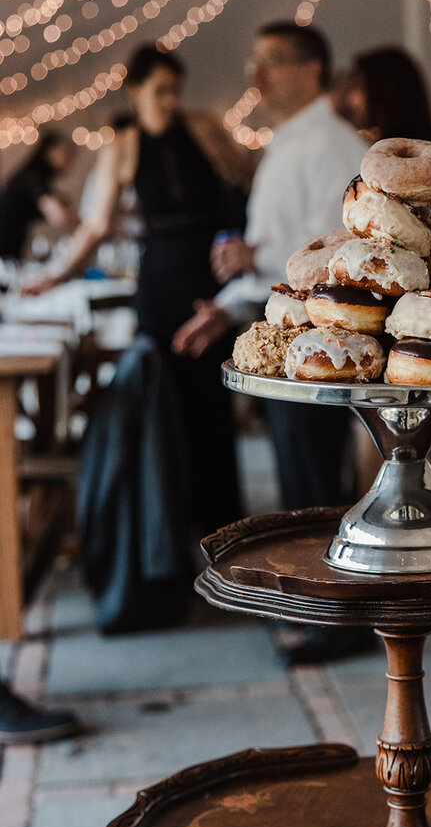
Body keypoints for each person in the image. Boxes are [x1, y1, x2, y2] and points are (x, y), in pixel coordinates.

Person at [172, 22, 371, 665]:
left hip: (319, 330)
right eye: (254, 63)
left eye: (273, 62)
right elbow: (270, 252)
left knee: (314, 478)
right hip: (278, 320)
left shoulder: (335, 146)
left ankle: (337, 619)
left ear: (313, 68)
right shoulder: (286, 142)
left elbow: (342, 249)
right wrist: (227, 304)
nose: (257, 77)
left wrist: (254, 258)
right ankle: (314, 608)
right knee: (295, 476)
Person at [24, 44, 253, 538]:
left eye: (175, 90)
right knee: (163, 409)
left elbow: (252, 182)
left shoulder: (204, 127)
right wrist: (56, 275)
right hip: (160, 286)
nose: (170, 100)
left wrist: (246, 244)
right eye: (159, 91)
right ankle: (170, 533)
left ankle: (224, 528)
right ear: (135, 92)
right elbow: (96, 226)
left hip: (211, 281)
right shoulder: (123, 145)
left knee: (214, 408)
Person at [337, 44, 431, 510]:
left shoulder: (383, 157)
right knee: (426, 418)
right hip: (430, 288)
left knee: (378, 417)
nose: (352, 96)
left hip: (398, 289)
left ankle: (371, 511)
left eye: (358, 87)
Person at [0, 130, 77, 265]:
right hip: (5, 245)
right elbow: (59, 216)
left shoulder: (34, 174)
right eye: (67, 155)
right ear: (51, 152)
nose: (70, 163)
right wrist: (91, 224)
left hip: (12, 243)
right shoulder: (32, 176)